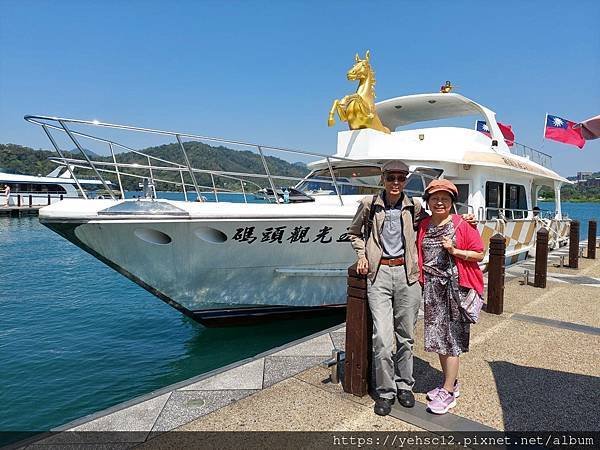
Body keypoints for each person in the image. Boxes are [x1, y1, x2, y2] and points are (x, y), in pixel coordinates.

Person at [348, 160, 423, 416]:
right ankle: (385, 391)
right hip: (378, 275)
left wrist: (464, 218)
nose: (395, 183)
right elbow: (354, 233)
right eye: (391, 178)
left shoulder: (414, 207)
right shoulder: (370, 205)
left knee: (406, 337)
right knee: (382, 337)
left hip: (407, 275)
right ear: (383, 179)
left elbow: (438, 221)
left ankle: (405, 386)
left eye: (400, 178)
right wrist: (362, 255)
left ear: (406, 181)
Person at [416, 179, 484, 414]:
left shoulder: (461, 224)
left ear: (452, 202)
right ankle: (451, 384)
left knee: (451, 341)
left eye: (445, 199)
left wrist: (456, 251)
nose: (439, 202)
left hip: (455, 290)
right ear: (428, 201)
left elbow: (479, 253)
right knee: (438, 340)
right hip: (433, 289)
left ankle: (448, 392)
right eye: (435, 198)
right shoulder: (423, 225)